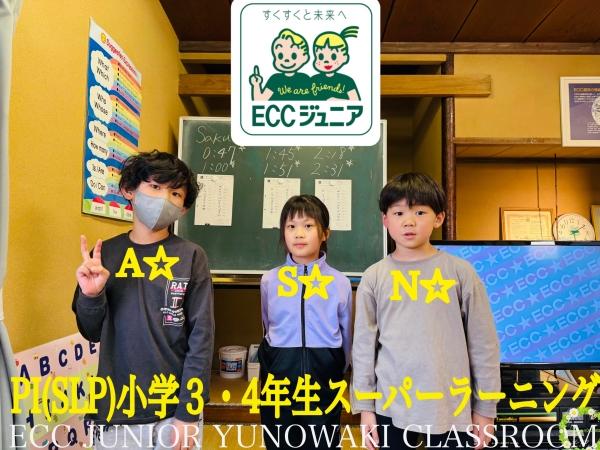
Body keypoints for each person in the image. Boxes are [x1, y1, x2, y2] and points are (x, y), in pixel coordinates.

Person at [73, 150, 214, 450]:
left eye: (175, 193)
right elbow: (91, 331)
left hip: (174, 412)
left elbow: (201, 338)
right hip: (116, 411)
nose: (164, 198)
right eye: (154, 186)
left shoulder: (192, 256)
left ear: (183, 209)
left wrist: (189, 412)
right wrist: (91, 294)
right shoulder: (105, 255)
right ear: (129, 190)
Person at [352, 173, 500, 450]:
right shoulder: (374, 277)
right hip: (390, 405)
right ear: (385, 220)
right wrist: (365, 407)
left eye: (420, 212)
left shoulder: (461, 272)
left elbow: (484, 344)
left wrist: (485, 407)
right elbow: (363, 348)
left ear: (439, 218)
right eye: (398, 213)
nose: (409, 221)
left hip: (451, 405)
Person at [258, 195, 352, 450]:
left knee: (323, 441)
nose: (299, 233)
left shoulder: (340, 282)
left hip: (324, 375)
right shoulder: (270, 280)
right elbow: (267, 325)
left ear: (325, 234)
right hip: (279, 375)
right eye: (291, 226)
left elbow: (346, 334)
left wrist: (335, 366)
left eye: (308, 226)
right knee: (278, 440)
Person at [249, 28, 311, 100]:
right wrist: (256, 85)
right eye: (280, 56)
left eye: (294, 56)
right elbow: (260, 100)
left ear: (304, 57)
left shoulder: (304, 79)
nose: (286, 60)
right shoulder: (275, 80)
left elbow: (314, 99)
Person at [311, 26, 360, 100]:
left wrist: (337, 101)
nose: (326, 61)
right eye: (321, 57)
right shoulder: (314, 80)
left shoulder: (347, 81)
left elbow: (356, 101)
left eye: (333, 57)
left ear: (345, 58)